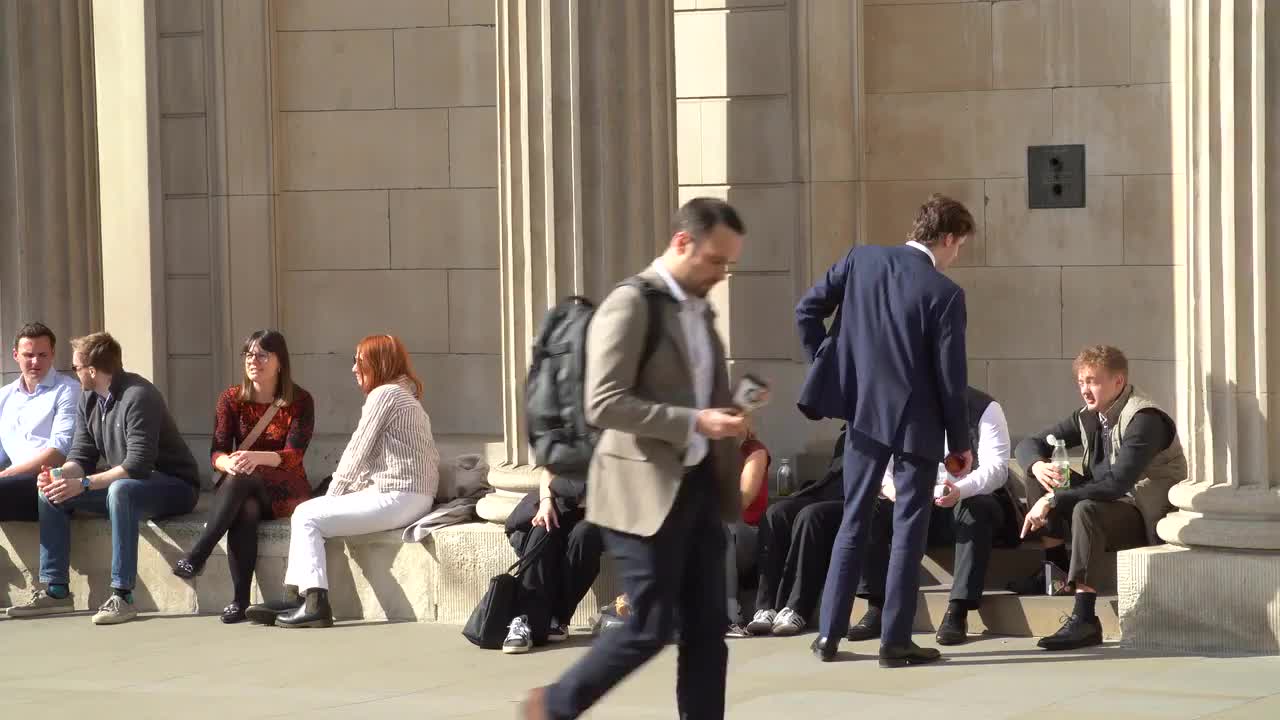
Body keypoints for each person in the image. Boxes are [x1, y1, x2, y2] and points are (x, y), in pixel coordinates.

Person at [520, 198, 748, 719]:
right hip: (639, 492)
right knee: (649, 626)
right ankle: (551, 706)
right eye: (716, 259)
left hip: (697, 488)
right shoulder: (631, 303)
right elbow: (603, 402)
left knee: (708, 634)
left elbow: (696, 395)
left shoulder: (699, 308)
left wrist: (729, 414)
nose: (721, 273)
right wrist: (694, 422)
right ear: (682, 243)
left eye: (728, 263)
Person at [796, 193, 975, 666]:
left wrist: (828, 363)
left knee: (852, 520)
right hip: (918, 422)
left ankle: (828, 636)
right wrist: (960, 444)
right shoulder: (946, 293)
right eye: (960, 246)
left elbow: (806, 310)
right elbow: (951, 381)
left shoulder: (861, 259)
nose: (957, 256)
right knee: (907, 530)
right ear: (950, 237)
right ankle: (894, 641)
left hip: (862, 413)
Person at [244, 334, 439, 629]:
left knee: (308, 515)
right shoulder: (403, 395)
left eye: (359, 360)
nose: (353, 368)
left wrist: (332, 497)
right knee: (307, 513)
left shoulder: (385, 394)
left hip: (400, 495)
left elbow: (357, 450)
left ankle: (314, 605)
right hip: (410, 495)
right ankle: (295, 596)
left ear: (378, 362)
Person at [7, 332, 200, 625]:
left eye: (76, 368)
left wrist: (84, 484)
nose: (74, 373)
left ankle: (123, 596)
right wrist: (58, 475)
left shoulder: (139, 395)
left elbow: (137, 465)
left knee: (121, 490)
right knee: (52, 492)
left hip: (173, 486)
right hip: (127, 484)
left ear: (92, 370)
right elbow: (81, 456)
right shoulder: (89, 397)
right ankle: (56, 591)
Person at [1014, 345, 1185, 651]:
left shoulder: (1145, 419)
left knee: (1086, 509)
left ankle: (1084, 619)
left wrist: (1052, 501)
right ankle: (1056, 573)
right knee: (1040, 472)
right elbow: (1030, 443)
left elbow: (1117, 485)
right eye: (1081, 382)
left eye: (1092, 381)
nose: (1085, 390)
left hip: (1142, 512)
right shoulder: (1090, 416)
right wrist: (1037, 465)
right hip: (1107, 502)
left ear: (1118, 382)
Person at [849, 386, 1016, 646]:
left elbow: (996, 469)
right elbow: (882, 461)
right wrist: (892, 490)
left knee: (976, 509)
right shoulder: (903, 406)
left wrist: (959, 490)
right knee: (872, 508)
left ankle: (957, 610)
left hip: (965, 498)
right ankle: (877, 605)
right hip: (916, 502)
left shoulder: (984, 408)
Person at [171, 330, 315, 624]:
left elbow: (294, 455)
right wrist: (228, 463)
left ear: (280, 362)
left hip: (287, 486)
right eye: (249, 354)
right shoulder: (230, 399)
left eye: (263, 354)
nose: (254, 361)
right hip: (245, 486)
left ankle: (199, 553)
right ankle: (240, 601)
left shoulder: (300, 400)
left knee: (241, 483)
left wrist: (254, 458)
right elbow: (217, 452)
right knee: (244, 507)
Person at [744, 428, 846, 637]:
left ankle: (797, 608)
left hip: (857, 500)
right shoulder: (847, 435)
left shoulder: (888, 431)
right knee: (775, 512)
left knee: (810, 516)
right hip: (827, 492)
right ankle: (766, 606)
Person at [500, 466, 603, 654]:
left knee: (585, 535)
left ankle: (558, 617)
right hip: (557, 506)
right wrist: (546, 502)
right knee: (541, 529)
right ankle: (524, 619)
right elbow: (548, 471)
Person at [0, 322, 81, 521]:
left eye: (42, 355)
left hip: (47, 482)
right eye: (28, 355)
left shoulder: (68, 390)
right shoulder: (4, 395)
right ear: (15, 355)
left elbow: (58, 453)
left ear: (52, 354)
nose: (35, 362)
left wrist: (6, 475)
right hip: (11, 484)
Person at [724, 431, 769, 637]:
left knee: (723, 524)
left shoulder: (754, 451)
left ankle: (730, 615)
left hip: (748, 536)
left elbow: (742, 500)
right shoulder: (702, 453)